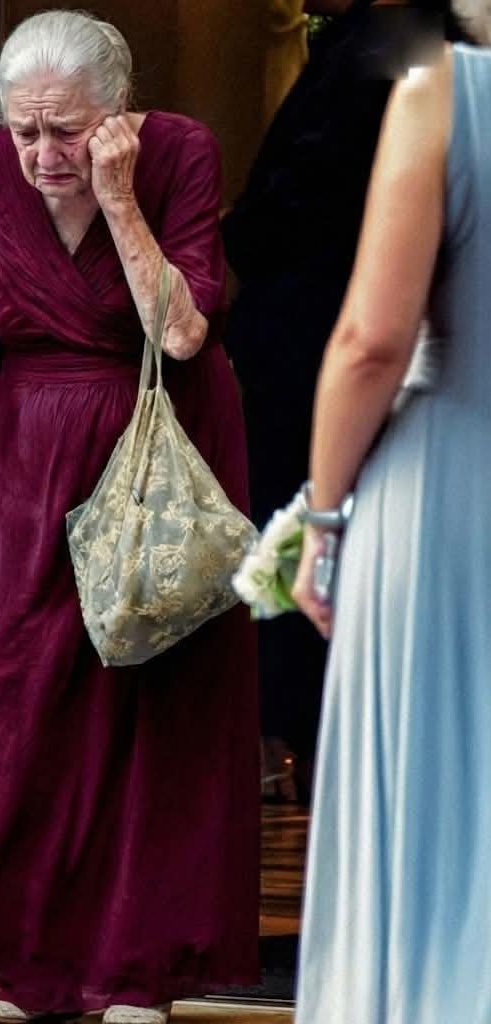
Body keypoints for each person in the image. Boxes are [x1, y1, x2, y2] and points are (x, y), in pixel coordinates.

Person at [0, 11, 259, 1024]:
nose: (42, 154)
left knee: (144, 701)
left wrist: (116, 200)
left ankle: (132, 970)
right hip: (29, 449)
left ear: (118, 111)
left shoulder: (179, 153)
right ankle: (17, 962)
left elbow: (182, 331)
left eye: (65, 130)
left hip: (154, 446)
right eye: (24, 130)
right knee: (10, 690)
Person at [291, 3, 491, 1019]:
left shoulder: (446, 92)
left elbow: (372, 340)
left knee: (428, 819)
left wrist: (320, 519)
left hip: (452, 493)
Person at [221, 0, 461, 802]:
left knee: (311, 554)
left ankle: (308, 754)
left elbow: (283, 207)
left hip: (332, 344)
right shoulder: (416, 49)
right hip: (394, 357)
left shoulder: (390, 50)